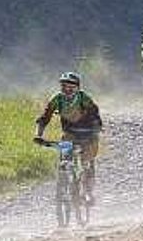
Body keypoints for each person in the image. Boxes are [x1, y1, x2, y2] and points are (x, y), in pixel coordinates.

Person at [34, 71, 102, 201]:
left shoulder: (84, 98)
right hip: (69, 134)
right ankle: (64, 183)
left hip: (88, 134)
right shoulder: (57, 99)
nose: (67, 90)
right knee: (65, 159)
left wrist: (95, 130)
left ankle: (88, 191)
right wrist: (38, 135)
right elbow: (44, 118)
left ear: (78, 88)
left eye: (71, 87)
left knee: (87, 163)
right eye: (64, 86)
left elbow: (95, 115)